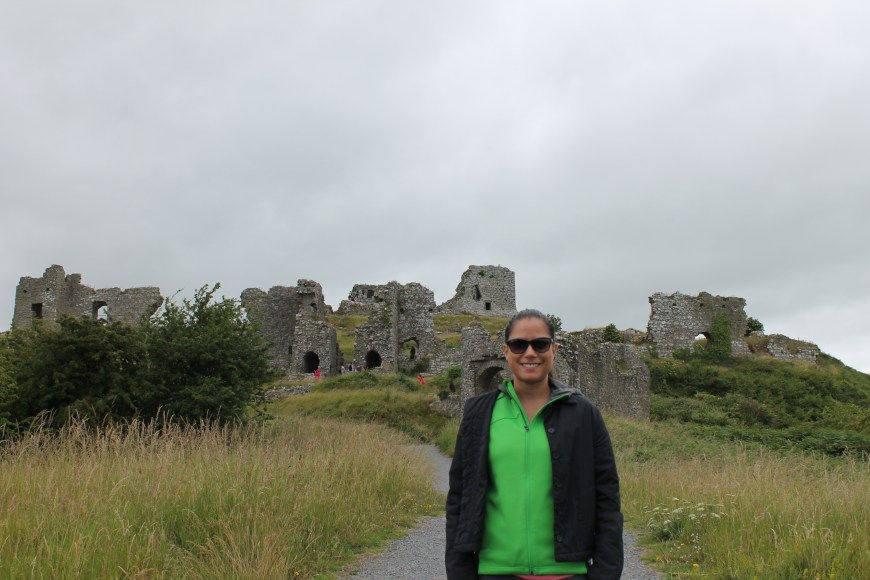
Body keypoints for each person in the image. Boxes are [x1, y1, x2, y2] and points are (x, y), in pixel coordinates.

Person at [445, 309, 623, 579]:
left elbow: (607, 499)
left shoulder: (584, 414)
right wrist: (460, 572)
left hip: (568, 573)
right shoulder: (478, 413)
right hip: (495, 571)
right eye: (519, 344)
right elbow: (459, 496)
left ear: (555, 349)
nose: (530, 353)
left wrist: (605, 573)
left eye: (540, 344)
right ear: (505, 350)